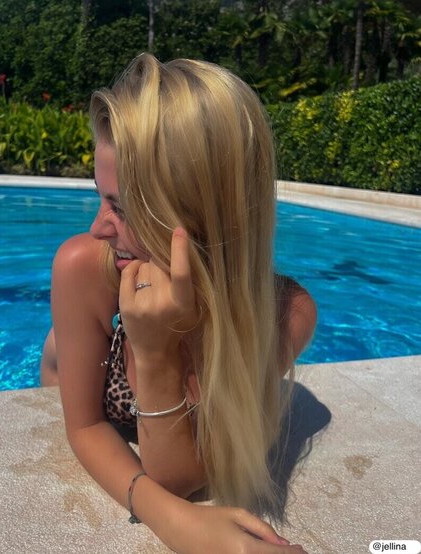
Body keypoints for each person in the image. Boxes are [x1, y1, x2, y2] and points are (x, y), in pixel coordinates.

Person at [41, 53, 317, 553]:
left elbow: (182, 473)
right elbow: (84, 426)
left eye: (121, 207)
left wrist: (156, 351)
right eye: (101, 196)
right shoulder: (85, 269)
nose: (98, 227)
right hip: (68, 363)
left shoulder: (284, 316)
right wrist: (177, 522)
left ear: (202, 215)